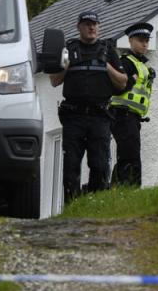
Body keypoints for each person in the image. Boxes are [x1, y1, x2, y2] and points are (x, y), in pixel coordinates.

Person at [49, 10, 127, 201]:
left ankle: (94, 202)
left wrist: (106, 65)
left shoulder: (108, 50)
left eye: (94, 24)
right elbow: (54, 80)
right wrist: (67, 63)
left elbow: (123, 82)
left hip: (99, 117)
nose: (91, 27)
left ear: (98, 26)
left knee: (99, 165)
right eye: (87, 24)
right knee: (71, 167)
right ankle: (71, 205)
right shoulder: (69, 49)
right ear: (79, 27)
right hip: (74, 116)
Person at [109, 21, 155, 187]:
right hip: (122, 115)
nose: (144, 44)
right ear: (130, 41)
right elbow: (116, 89)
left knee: (129, 154)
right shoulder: (126, 63)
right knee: (130, 156)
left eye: (146, 40)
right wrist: (130, 80)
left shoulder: (141, 65)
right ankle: (129, 188)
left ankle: (118, 189)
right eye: (140, 40)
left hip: (132, 118)